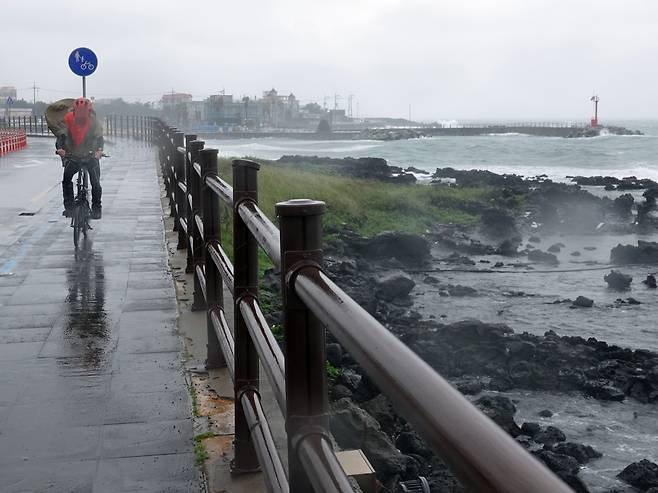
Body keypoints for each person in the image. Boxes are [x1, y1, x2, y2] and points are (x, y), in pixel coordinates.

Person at [55, 98, 104, 219]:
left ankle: (96, 208)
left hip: (90, 154)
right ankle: (69, 207)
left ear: (89, 111)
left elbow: (99, 137)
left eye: (84, 112)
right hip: (74, 154)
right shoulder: (68, 119)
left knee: (95, 182)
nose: (81, 116)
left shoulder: (94, 121)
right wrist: (60, 148)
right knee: (67, 179)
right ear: (74, 111)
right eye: (78, 112)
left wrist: (99, 150)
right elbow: (61, 135)